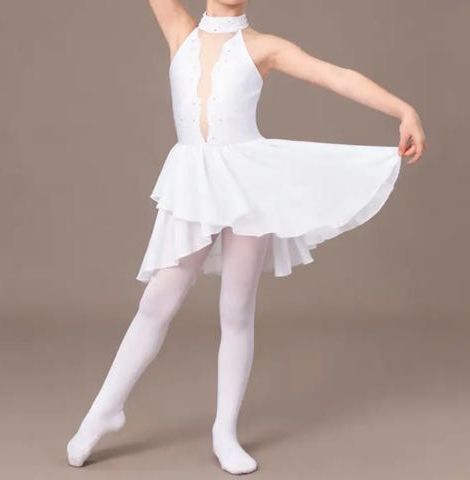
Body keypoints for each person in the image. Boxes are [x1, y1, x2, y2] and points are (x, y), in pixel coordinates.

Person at [66, 0, 426, 475]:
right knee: (156, 303)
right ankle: (103, 412)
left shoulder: (263, 47)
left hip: (247, 185)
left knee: (236, 309)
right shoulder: (180, 31)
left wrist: (404, 109)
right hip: (195, 182)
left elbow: (335, 75)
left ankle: (225, 431)